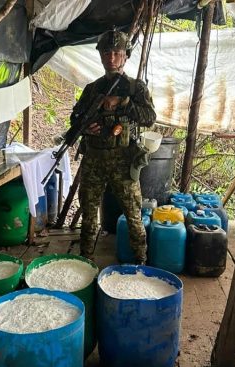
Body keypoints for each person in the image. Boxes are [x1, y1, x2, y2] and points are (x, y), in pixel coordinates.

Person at [69, 28, 157, 264]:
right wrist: (86, 129)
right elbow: (76, 118)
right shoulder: (93, 89)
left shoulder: (135, 88)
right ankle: (85, 261)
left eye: (117, 53)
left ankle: (140, 262)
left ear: (125, 56)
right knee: (89, 214)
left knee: (133, 214)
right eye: (107, 52)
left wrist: (124, 103)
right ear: (101, 55)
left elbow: (149, 118)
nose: (111, 58)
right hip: (94, 159)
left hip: (124, 160)